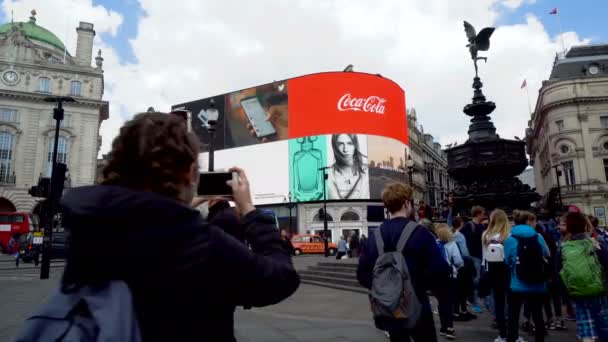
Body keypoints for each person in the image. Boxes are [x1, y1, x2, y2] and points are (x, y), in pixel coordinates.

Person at [59, 112, 300, 342]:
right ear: (191, 173)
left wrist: (186, 206)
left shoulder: (89, 229)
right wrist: (249, 210)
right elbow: (280, 279)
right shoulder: (199, 244)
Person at [357, 182, 450, 342]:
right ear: (407, 203)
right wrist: (421, 285)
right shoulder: (421, 233)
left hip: (388, 308)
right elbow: (440, 270)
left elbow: (362, 274)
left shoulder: (374, 236)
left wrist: (384, 288)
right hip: (418, 305)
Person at [561, 212, 608, 342]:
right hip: (599, 290)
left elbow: (559, 272)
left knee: (585, 324)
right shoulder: (595, 243)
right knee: (603, 323)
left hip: (577, 292)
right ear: (585, 226)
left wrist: (566, 294)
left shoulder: (563, 247)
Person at [504, 210, 549, 342]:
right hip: (537, 281)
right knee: (538, 314)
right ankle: (539, 338)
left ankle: (512, 338)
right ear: (528, 222)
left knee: (513, 314)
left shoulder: (510, 239)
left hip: (517, 282)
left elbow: (507, 260)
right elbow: (546, 253)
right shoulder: (537, 236)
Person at [481, 209, 511, 342]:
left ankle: (502, 333)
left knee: (498, 301)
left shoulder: (486, 235)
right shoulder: (508, 235)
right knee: (511, 301)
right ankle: (512, 332)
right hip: (507, 270)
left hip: (492, 270)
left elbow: (484, 256)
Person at [436, 224, 463, 340]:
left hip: (437, 277)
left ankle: (442, 327)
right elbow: (458, 261)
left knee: (441, 302)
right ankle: (450, 328)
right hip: (450, 276)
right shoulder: (452, 244)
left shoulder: (435, 244)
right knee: (449, 302)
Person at [460, 206, 486, 314]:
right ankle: (474, 302)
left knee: (478, 280)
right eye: (482, 213)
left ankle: (474, 300)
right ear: (478, 214)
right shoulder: (469, 226)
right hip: (473, 256)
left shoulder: (481, 226)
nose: (484, 215)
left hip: (481, 256)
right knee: (475, 279)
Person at [328, 134, 369, 200]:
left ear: (355, 146)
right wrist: (362, 179)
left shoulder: (367, 170)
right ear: (335, 147)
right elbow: (338, 206)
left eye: (350, 143)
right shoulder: (329, 173)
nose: (345, 149)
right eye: (340, 144)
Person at [452, 216, 477, 321]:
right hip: (462, 264)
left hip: (453, 265)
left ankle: (457, 311)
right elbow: (464, 252)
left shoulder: (450, 234)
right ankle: (463, 310)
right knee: (464, 288)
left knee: (457, 289)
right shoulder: (460, 236)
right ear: (461, 224)